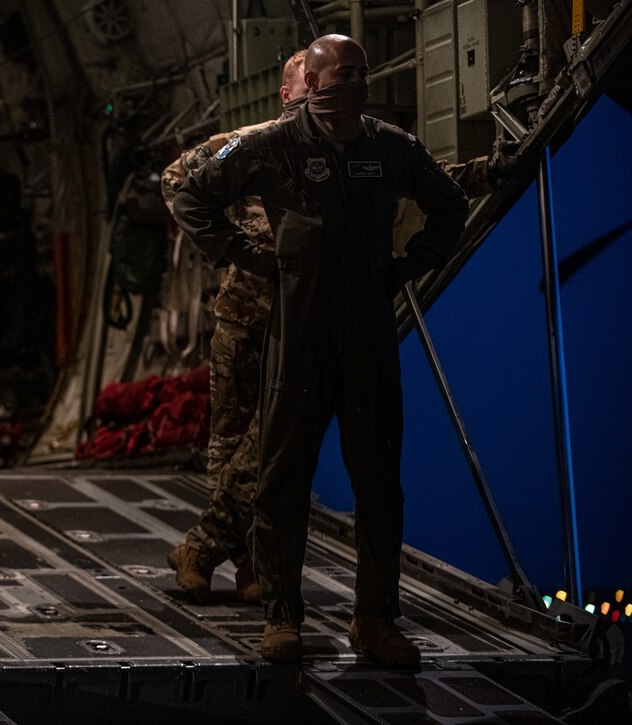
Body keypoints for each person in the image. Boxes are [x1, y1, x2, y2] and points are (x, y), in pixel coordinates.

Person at [172, 34, 468, 667]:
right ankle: (282, 616)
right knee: (280, 479)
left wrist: (412, 264)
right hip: (296, 331)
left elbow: (450, 204)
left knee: (379, 484)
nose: (355, 83)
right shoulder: (270, 145)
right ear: (310, 79)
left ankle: (374, 620)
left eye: (362, 71)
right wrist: (244, 258)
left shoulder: (390, 149)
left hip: (365, 333)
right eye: (343, 72)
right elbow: (190, 192)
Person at [160, 49, 307, 605]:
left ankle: (202, 548)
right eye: (303, 87)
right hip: (244, 312)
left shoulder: (335, 152)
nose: (312, 97)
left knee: (272, 444)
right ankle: (249, 565)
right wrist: (229, 248)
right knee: (229, 441)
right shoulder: (250, 144)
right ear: (285, 95)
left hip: (302, 322)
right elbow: (177, 179)